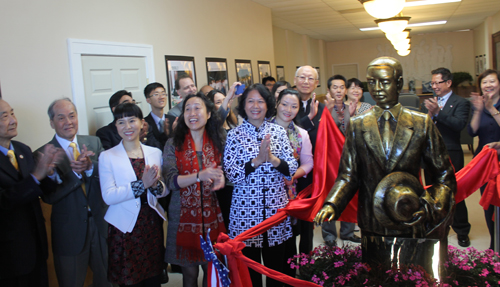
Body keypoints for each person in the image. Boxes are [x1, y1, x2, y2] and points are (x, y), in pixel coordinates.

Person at [314, 57, 456, 270]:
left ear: (398, 83)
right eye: (372, 83)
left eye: (385, 82)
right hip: (372, 219)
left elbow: (443, 175)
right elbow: (348, 175)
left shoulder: (421, 123)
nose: (378, 89)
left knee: (411, 274)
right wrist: (332, 203)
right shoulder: (357, 125)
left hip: (410, 215)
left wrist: (432, 207)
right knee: (376, 274)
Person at [224, 84, 298, 287]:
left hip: (275, 212)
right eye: (250, 101)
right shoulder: (234, 136)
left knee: (276, 271)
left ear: (268, 105)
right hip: (245, 216)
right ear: (243, 106)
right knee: (250, 273)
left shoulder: (278, 132)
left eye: (260, 101)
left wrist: (273, 159)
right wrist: (256, 160)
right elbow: (232, 174)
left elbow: (291, 168)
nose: (255, 106)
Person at [39, 98, 111, 287]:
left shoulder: (93, 142)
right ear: (52, 122)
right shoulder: (42, 154)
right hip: (68, 231)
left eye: (72, 116)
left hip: (100, 223)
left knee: (108, 280)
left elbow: (108, 175)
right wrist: (73, 175)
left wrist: (89, 168)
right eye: (61, 118)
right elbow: (48, 196)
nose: (68, 122)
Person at [99, 103, 168, 287]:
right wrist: (141, 185)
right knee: (129, 280)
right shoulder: (107, 156)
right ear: (115, 126)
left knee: (152, 279)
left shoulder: (155, 152)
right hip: (124, 228)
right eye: (121, 122)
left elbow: (163, 190)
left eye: (132, 120)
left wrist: (154, 186)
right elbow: (109, 196)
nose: (127, 127)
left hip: (151, 224)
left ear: (142, 123)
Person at [163, 92, 227, 287]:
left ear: (208, 114)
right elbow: (171, 181)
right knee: (189, 276)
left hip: (214, 216)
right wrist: (200, 175)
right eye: (187, 109)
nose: (192, 113)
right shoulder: (173, 144)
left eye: (197, 108)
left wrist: (222, 176)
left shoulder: (220, 139)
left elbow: (228, 171)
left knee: (212, 272)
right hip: (182, 218)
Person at [0, 99, 63, 287]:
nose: (13, 120)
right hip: (8, 256)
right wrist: (36, 175)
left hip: (36, 247)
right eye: (5, 116)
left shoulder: (22, 149)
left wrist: (50, 174)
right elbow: (4, 201)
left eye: (12, 113)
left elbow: (38, 192)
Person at [421, 67, 471, 247]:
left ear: (448, 83)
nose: (434, 86)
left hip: (451, 152)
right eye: (432, 83)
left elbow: (458, 125)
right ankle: (435, 226)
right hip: (429, 153)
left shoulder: (461, 102)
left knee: (454, 193)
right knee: (432, 192)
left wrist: (438, 113)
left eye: (437, 82)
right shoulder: (428, 102)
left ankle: (462, 230)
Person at [269, 89, 313, 279]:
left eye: (294, 106)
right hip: (264, 193)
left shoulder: (301, 133)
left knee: (288, 240)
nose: (288, 109)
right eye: (285, 104)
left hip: (289, 193)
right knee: (269, 242)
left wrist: (293, 175)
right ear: (277, 103)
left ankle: (288, 278)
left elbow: (308, 163)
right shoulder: (262, 128)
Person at [321, 75, 361, 245]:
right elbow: (323, 132)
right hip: (329, 159)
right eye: (335, 87)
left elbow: (355, 134)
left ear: (346, 90)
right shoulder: (322, 109)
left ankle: (348, 231)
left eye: (341, 87)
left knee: (349, 192)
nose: (338, 90)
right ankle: (329, 234)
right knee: (329, 193)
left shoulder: (351, 108)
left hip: (348, 158)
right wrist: (328, 111)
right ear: (329, 90)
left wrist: (351, 116)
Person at [468, 69, 500, 250]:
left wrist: (491, 109)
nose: (488, 85)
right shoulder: (479, 105)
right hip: (485, 162)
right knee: (488, 204)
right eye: (484, 82)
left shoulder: (494, 105)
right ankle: (493, 243)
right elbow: (472, 131)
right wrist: (479, 110)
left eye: (492, 81)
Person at [143, 82, 176, 151]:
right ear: (148, 100)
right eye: (156, 94)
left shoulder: (173, 120)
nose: (161, 97)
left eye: (163, 94)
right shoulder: (145, 123)